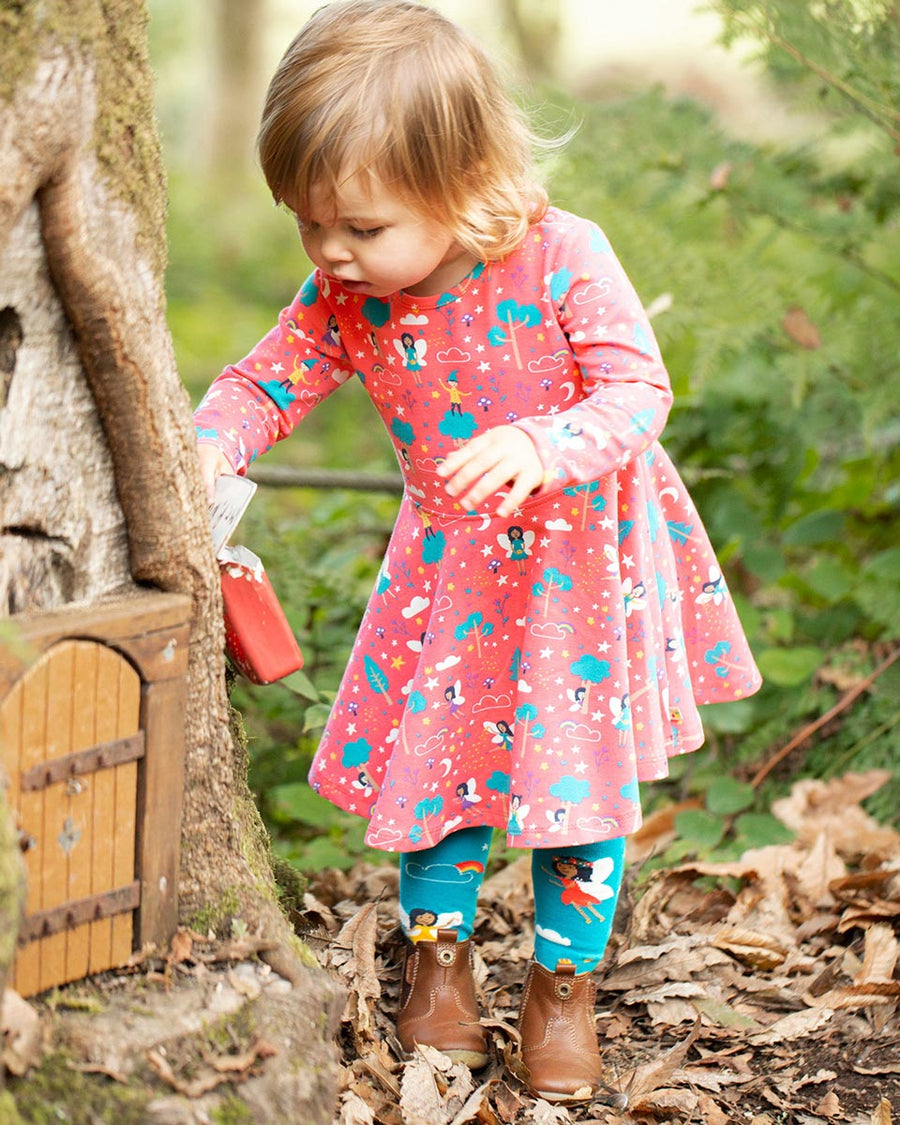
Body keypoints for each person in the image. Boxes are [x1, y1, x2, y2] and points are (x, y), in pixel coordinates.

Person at [193, 0, 762, 1103]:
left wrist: (543, 443)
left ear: (461, 185)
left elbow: (638, 392)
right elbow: (266, 379)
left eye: (360, 227)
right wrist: (211, 449)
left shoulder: (560, 257)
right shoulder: (345, 296)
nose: (332, 253)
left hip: (577, 577)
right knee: (439, 766)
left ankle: (563, 986)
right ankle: (441, 967)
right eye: (308, 225)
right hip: (450, 577)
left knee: (577, 784)